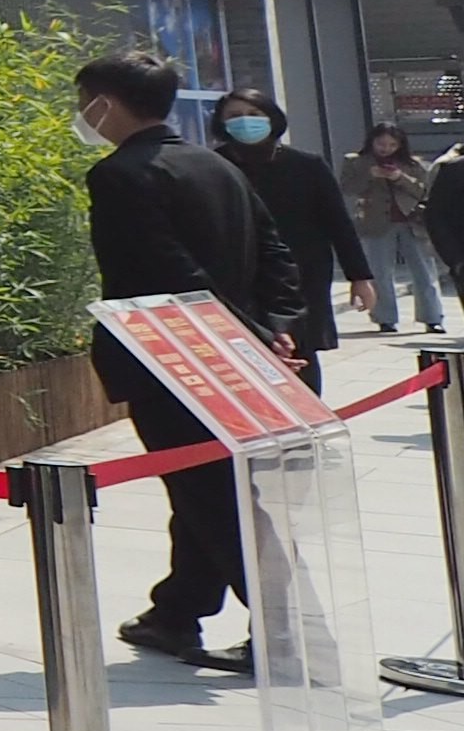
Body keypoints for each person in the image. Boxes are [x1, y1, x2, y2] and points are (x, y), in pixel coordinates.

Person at [75, 48, 293, 668]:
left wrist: (251, 333)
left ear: (105, 104)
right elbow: (274, 252)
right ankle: (177, 611)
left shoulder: (119, 175)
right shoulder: (215, 164)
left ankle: (287, 631)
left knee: (214, 496)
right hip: (228, 353)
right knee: (202, 487)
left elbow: (165, 272)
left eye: (84, 103)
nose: (82, 115)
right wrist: (276, 328)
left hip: (173, 356)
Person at [208, 88, 366, 368]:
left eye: (254, 114)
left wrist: (360, 276)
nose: (245, 121)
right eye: (234, 116)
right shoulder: (213, 166)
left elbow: (338, 223)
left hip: (303, 273)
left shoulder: (306, 165)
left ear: (272, 118)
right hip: (241, 277)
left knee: (301, 352)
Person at [340, 122, 445, 338]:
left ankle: (432, 318)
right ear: (372, 141)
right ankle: (385, 318)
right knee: (380, 272)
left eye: (392, 145)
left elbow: (422, 190)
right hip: (375, 221)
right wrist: (370, 175)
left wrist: (399, 177)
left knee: (424, 271)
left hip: (411, 220)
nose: (386, 149)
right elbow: (347, 188)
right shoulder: (356, 161)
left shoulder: (412, 163)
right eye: (381, 144)